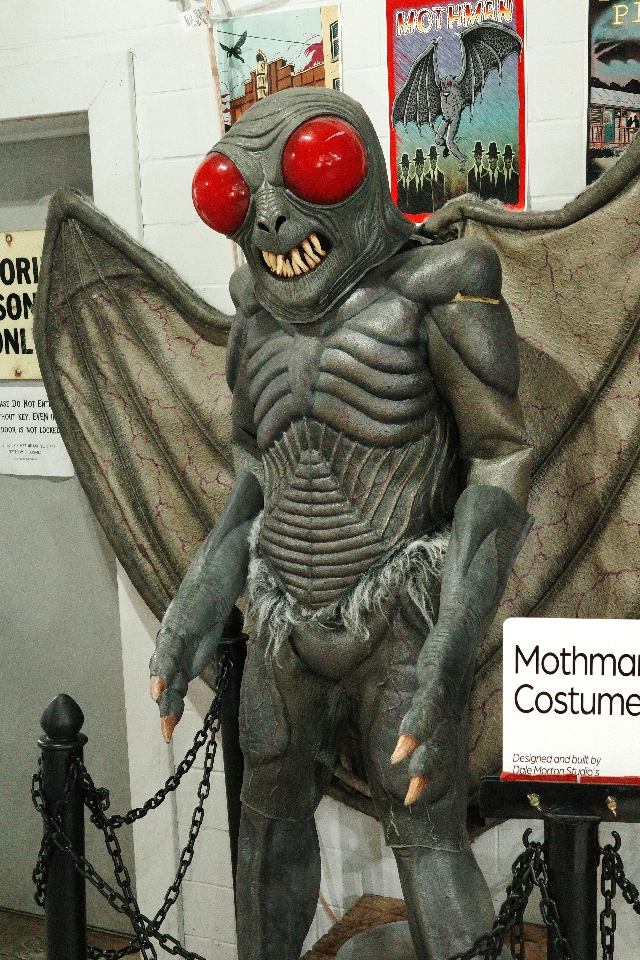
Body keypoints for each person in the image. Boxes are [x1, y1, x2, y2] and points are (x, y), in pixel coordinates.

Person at [151, 87, 532, 960]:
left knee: (427, 837)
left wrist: (452, 646)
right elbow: (255, 464)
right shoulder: (253, 312)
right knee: (267, 821)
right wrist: (202, 589)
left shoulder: (441, 285)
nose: (271, 219)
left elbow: (501, 458)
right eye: (234, 196)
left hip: (400, 621)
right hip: (283, 622)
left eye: (310, 171)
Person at [408, 147, 433, 214]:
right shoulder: (411, 183)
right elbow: (410, 205)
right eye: (417, 164)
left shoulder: (428, 183)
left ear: (423, 165)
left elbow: (430, 205)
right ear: (415, 165)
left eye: (421, 164)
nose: (419, 167)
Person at [425, 144, 446, 211]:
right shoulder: (426, 176)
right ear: (429, 160)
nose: (433, 161)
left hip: (439, 206)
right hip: (429, 207)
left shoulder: (441, 175)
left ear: (436, 159)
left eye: (434, 158)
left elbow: (442, 193)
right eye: (431, 159)